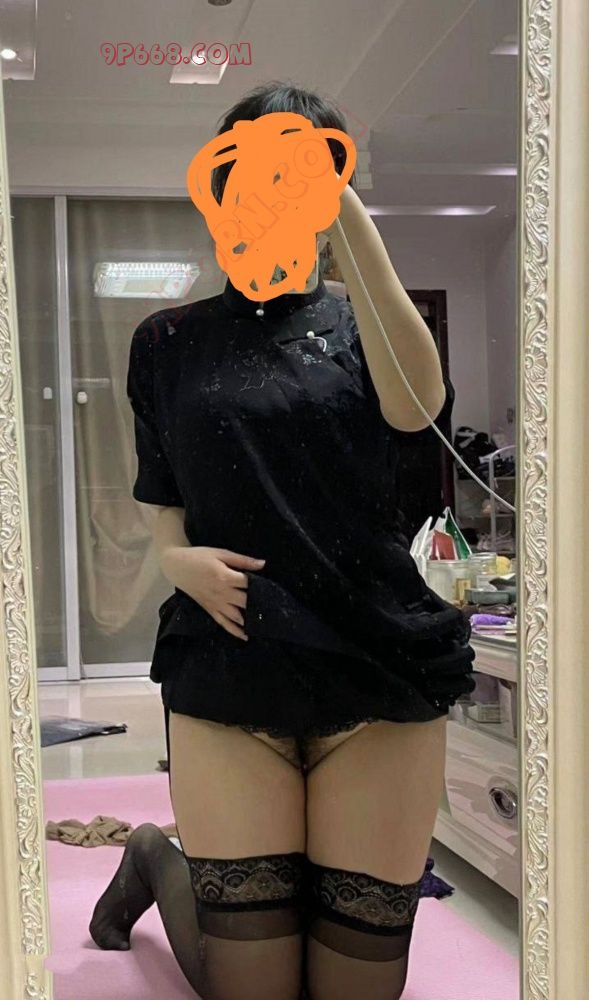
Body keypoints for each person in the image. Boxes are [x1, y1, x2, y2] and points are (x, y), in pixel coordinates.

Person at [89, 80, 476, 1000]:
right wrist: (174, 556)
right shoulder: (166, 340)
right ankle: (153, 857)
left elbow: (415, 409)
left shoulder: (364, 322)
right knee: (254, 986)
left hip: (376, 661)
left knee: (349, 987)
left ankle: (166, 860)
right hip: (231, 656)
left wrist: (344, 212)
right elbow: (162, 490)